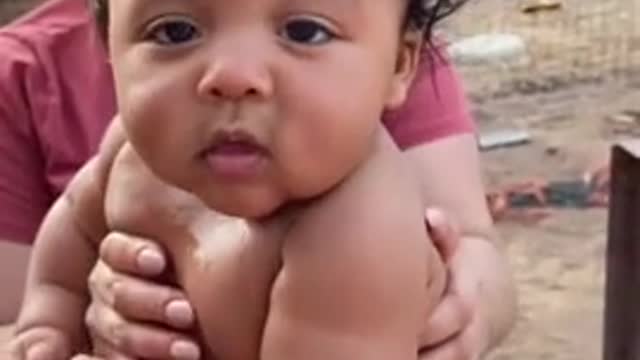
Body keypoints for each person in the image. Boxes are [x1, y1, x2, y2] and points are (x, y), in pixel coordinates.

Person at [0, 0, 516, 359]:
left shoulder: (359, 229)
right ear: (109, 49)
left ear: (400, 67)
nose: (233, 75)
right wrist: (54, 311)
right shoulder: (132, 154)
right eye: (175, 31)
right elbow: (75, 221)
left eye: (305, 31)